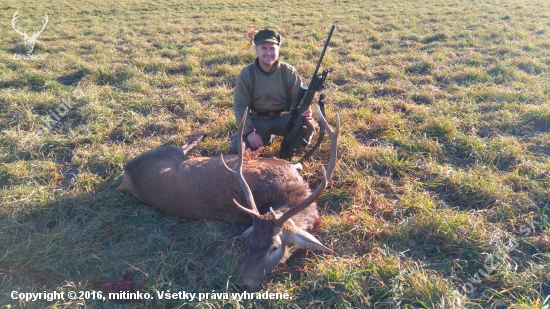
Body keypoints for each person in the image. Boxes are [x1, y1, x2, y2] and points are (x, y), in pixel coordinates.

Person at [229, 28, 317, 154]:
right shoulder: (246, 73)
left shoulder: (288, 71)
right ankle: (264, 137)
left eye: (272, 48)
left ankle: (288, 148)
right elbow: (240, 106)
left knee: (308, 125)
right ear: (256, 50)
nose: (268, 53)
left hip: (281, 119)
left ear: (278, 50)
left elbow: (297, 99)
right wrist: (249, 132)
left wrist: (305, 110)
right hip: (257, 121)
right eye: (264, 48)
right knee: (237, 148)